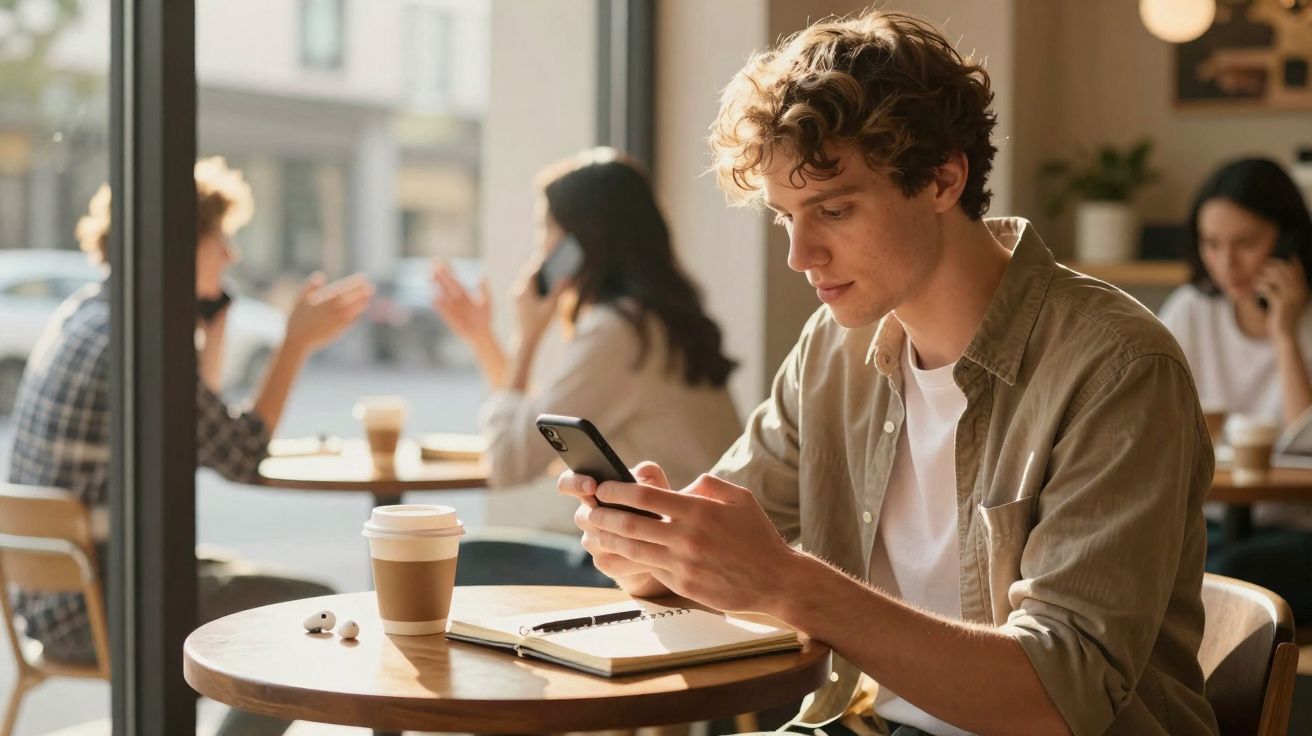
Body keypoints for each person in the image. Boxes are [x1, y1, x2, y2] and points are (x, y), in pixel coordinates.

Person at [558, 10, 1218, 736]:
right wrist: (654, 545)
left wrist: (788, 581)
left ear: (942, 179)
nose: (799, 255)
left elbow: (1061, 699)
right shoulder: (833, 354)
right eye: (784, 218)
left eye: (833, 210)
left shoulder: (1117, 367)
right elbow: (720, 566)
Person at [7, 157, 372, 736]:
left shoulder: (90, 313)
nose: (232, 256)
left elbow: (198, 429)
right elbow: (241, 455)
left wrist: (210, 331)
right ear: (180, 244)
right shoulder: (141, 340)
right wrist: (295, 343)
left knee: (268, 590)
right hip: (104, 605)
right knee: (314, 613)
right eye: (221, 241)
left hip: (56, 594)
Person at [430, 148, 742, 531]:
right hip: (685, 544)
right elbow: (536, 428)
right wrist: (483, 340)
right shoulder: (651, 320)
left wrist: (527, 338)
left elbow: (507, 464)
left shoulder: (619, 334)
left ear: (578, 243)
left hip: (663, 558)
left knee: (471, 553)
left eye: (546, 230)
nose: (542, 249)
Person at [1158, 157, 1312, 624]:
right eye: (1212, 244)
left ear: (1288, 239)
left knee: (1225, 579)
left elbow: (1306, 449)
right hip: (1212, 521)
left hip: (1298, 530)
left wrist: (1285, 334)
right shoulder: (1190, 311)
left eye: (1246, 243)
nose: (1227, 264)